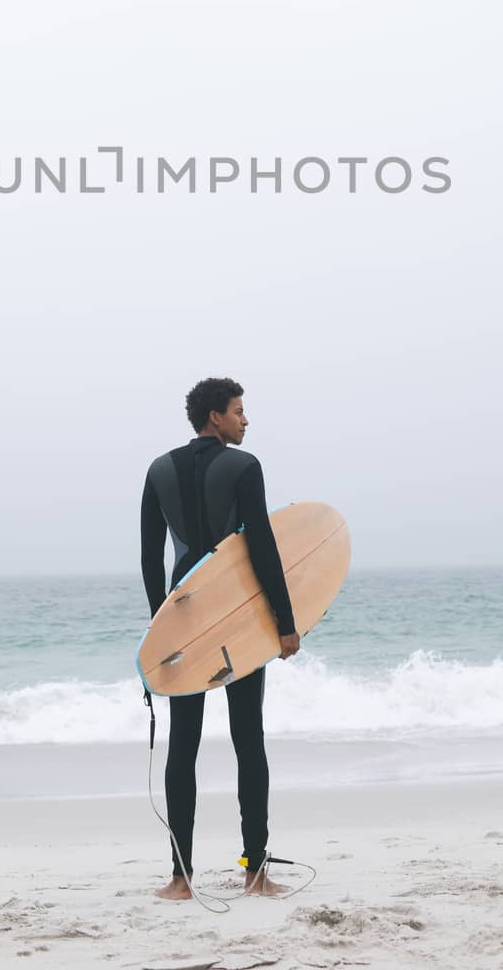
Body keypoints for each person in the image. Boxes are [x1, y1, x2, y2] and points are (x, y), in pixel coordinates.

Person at [140, 376, 301, 900]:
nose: (245, 420)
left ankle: (180, 878)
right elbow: (262, 548)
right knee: (247, 741)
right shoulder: (244, 466)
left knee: (181, 747)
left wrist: (158, 630)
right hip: (237, 615)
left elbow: (150, 557)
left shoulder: (158, 469)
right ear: (215, 417)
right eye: (238, 411)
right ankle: (254, 870)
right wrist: (284, 620)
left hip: (182, 617)